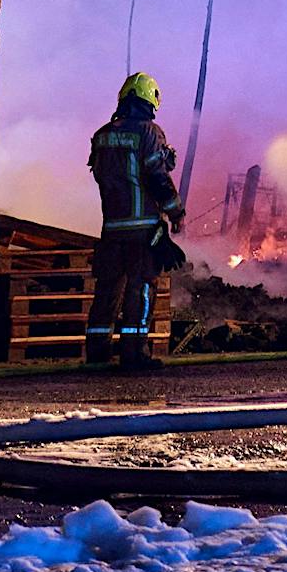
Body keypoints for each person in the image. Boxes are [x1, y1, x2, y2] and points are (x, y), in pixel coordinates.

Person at [86, 71, 185, 372]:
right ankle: (134, 352)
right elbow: (157, 176)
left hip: (111, 227)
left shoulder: (103, 134)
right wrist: (175, 211)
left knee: (107, 289)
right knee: (140, 287)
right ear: (151, 99)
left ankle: (97, 352)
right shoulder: (148, 132)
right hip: (141, 228)